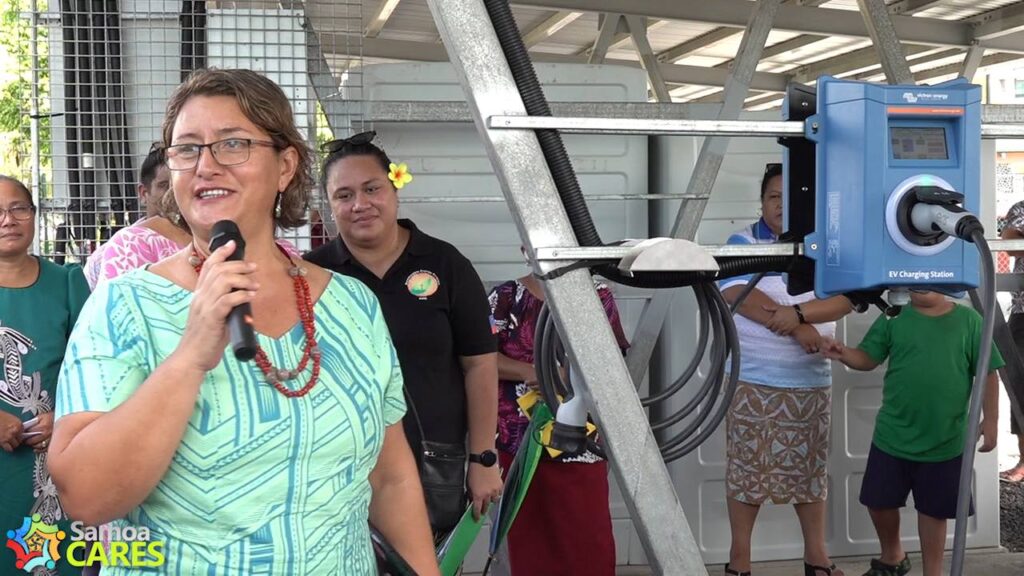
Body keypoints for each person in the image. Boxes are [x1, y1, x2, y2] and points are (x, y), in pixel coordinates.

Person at [49, 69, 438, 575]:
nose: (206, 166)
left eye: (232, 144)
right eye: (187, 149)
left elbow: (390, 478)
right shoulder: (125, 306)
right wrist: (190, 357)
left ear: (285, 166)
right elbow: (84, 496)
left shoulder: (354, 304)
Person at [305, 131, 502, 536]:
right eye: (344, 195)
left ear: (394, 189)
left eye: (371, 188)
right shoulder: (312, 275)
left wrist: (483, 457)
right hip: (339, 469)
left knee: (427, 561)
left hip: (434, 461)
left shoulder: (445, 263)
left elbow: (480, 364)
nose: (360, 204)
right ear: (329, 205)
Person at [720, 163, 853, 576]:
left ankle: (816, 558)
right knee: (747, 474)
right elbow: (735, 291)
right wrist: (798, 327)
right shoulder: (743, 241)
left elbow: (847, 299)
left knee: (810, 472)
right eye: (773, 197)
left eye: (790, 197)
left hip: (810, 380)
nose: (781, 205)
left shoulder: (828, 243)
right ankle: (739, 562)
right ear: (762, 202)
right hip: (752, 379)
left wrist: (798, 315)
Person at [822, 290, 1001, 576]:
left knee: (933, 511)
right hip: (892, 437)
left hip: (944, 441)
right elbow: (867, 358)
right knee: (878, 502)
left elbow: (989, 372)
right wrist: (843, 353)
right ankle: (893, 557)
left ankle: (933, 572)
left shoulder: (970, 320)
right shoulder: (893, 316)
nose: (921, 281)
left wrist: (990, 419)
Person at [488, 269, 627, 575]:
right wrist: (531, 371)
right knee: (531, 541)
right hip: (521, 442)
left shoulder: (597, 295)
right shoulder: (505, 297)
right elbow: (480, 358)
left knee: (587, 539)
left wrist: (568, 376)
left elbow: (612, 359)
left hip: (580, 442)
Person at [0, 174, 88, 576]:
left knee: (48, 560)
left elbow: (92, 369)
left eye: (18, 208)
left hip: (52, 458)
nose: (8, 220)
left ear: (34, 215)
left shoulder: (67, 283)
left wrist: (65, 418)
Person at [83, 145, 190, 289]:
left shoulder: (202, 239)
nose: (172, 193)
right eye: (164, 186)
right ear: (143, 193)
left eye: (178, 184)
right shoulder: (122, 248)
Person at [998, 203, 1024, 482]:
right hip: (1023, 314)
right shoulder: (1021, 207)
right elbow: (1011, 244)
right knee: (1019, 386)